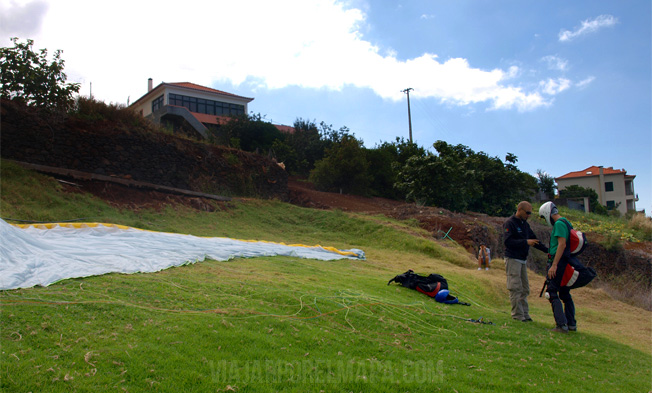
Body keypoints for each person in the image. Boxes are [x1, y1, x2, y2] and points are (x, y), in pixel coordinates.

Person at [539, 201, 586, 333]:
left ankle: (561, 325)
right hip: (565, 261)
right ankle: (571, 324)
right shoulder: (566, 222)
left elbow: (562, 244)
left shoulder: (559, 224)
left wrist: (554, 265)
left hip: (558, 261)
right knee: (565, 292)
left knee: (552, 292)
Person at [503, 201, 548, 322]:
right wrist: (525, 242)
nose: (529, 215)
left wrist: (548, 251)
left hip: (522, 259)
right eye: (527, 213)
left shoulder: (525, 225)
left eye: (530, 213)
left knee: (525, 288)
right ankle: (517, 315)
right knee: (515, 287)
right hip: (513, 259)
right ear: (520, 210)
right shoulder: (510, 223)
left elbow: (535, 240)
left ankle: (525, 314)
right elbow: (508, 242)